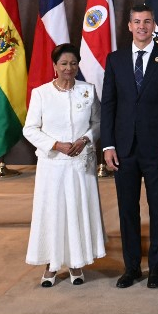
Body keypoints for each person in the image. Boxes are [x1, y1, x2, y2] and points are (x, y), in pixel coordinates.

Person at [101, 4, 158, 289]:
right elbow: (109, 104)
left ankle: (156, 268)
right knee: (127, 210)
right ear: (129, 26)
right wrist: (108, 145)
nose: (142, 27)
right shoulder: (115, 60)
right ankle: (132, 267)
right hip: (123, 149)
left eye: (147, 22)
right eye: (137, 22)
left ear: (153, 26)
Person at [24, 43, 106, 287]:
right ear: (55, 66)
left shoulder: (87, 90)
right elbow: (30, 129)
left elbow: (99, 123)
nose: (68, 68)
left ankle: (76, 263)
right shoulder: (41, 93)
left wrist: (85, 139)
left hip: (81, 165)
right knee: (54, 212)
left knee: (77, 211)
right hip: (53, 165)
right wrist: (55, 144)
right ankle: (51, 264)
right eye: (63, 64)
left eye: (73, 63)